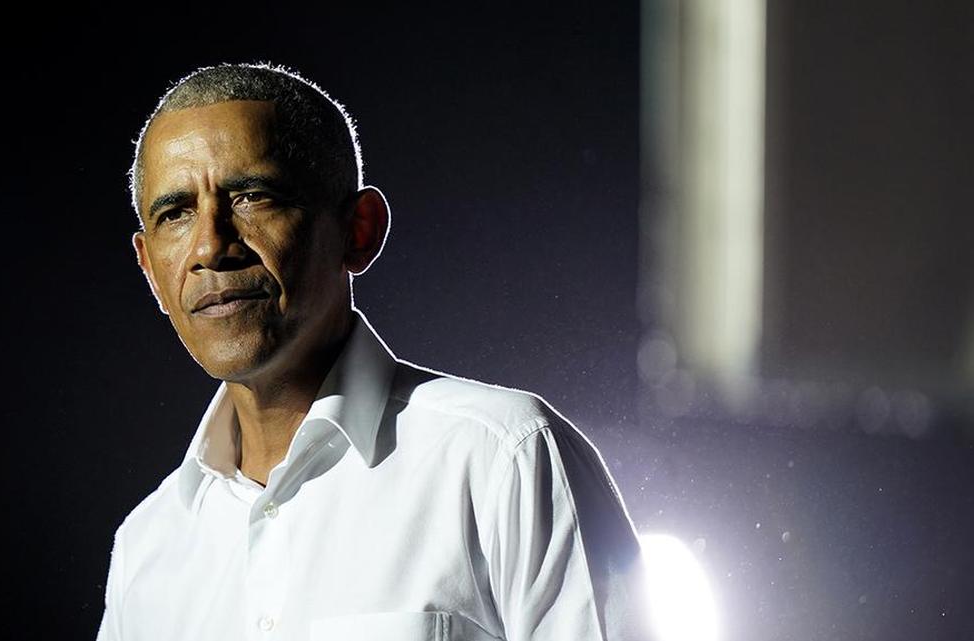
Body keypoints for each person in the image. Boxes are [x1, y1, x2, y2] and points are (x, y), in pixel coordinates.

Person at [96, 62, 652, 641]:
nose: (211, 246)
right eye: (175, 213)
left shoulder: (500, 460)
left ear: (358, 231)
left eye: (252, 196)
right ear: (151, 271)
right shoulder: (148, 547)